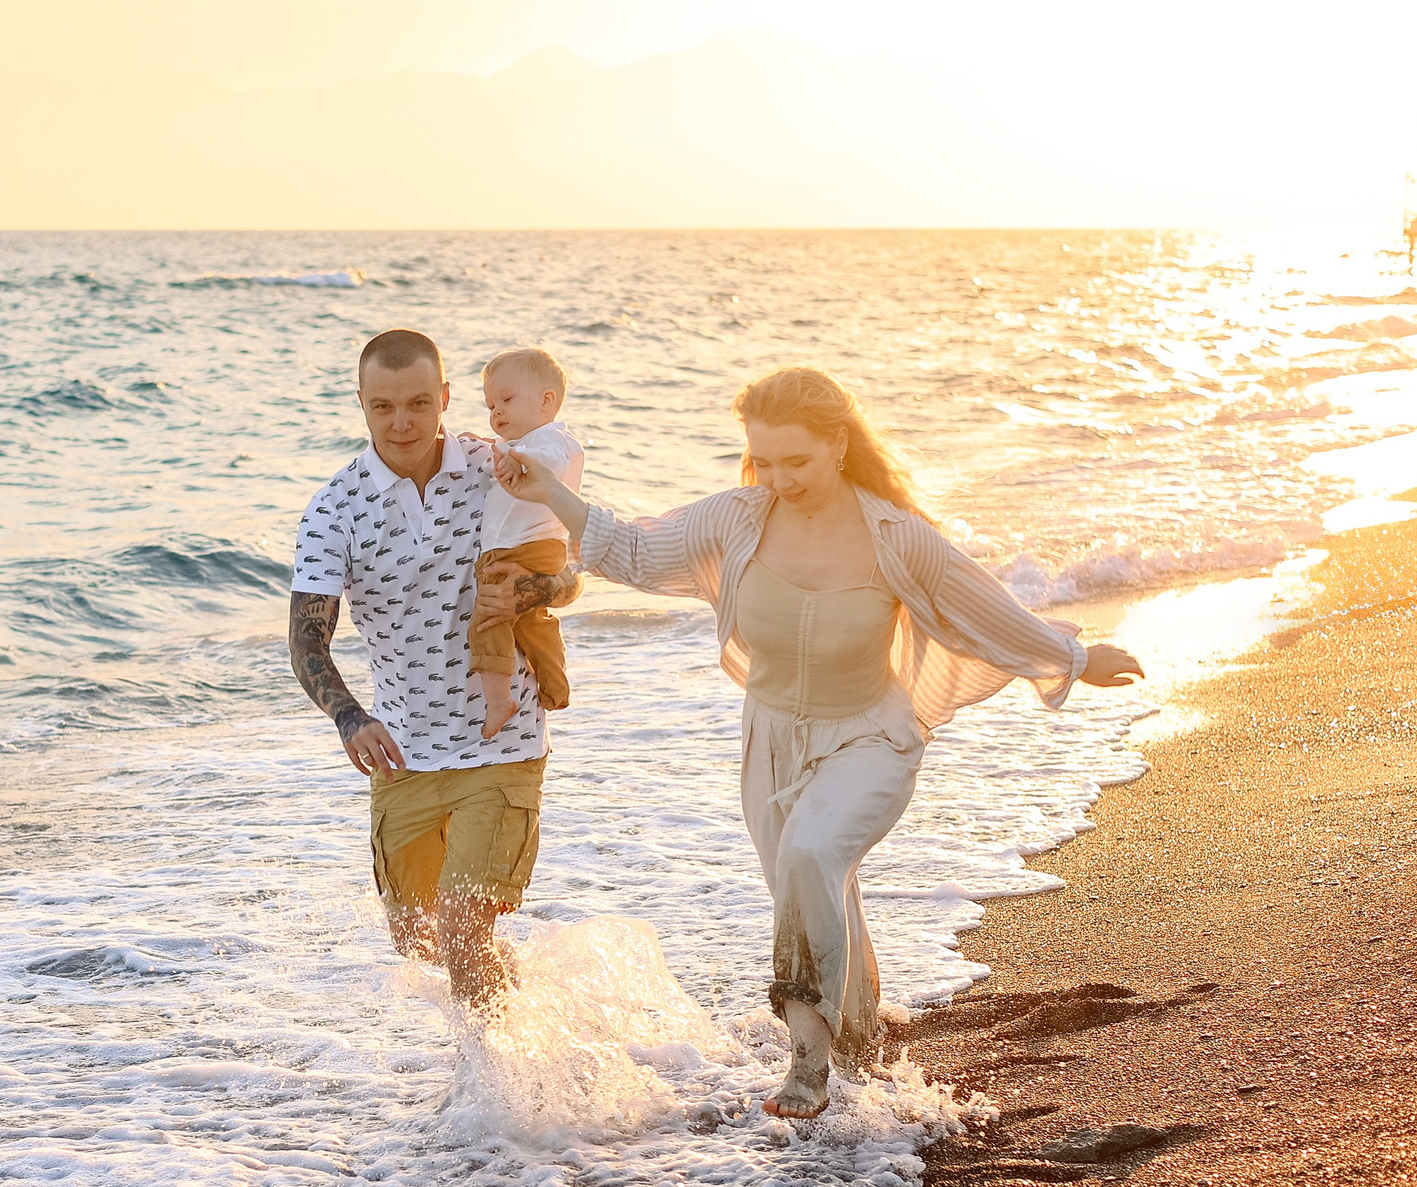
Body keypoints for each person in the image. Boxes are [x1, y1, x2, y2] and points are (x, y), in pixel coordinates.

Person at [489, 363, 1144, 1117]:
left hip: (872, 736)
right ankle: (862, 1038)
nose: (778, 477)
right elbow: (634, 552)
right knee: (812, 882)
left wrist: (1073, 658)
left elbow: (983, 606)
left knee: (809, 856)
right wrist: (548, 492)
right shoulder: (738, 517)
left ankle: (808, 1062)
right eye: (763, 460)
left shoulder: (895, 536)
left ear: (838, 445)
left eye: (795, 460)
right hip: (770, 742)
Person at [289, 329, 584, 1012]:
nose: (403, 422)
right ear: (361, 403)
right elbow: (308, 640)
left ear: (446, 398)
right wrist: (348, 716)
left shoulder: (500, 466)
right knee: (418, 940)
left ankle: (494, 1103)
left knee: (461, 930)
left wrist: (535, 592)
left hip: (502, 740)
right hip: (403, 755)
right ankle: (533, 1027)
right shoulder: (335, 506)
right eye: (384, 406)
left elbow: (572, 570)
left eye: (420, 403)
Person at [465, 347, 584, 740]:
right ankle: (554, 685)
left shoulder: (551, 442)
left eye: (507, 400)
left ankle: (499, 700)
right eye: (490, 405)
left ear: (546, 401)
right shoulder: (530, 444)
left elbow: (547, 464)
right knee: (534, 623)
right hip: (539, 547)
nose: (496, 412)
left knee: (488, 619)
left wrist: (506, 455)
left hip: (522, 547)